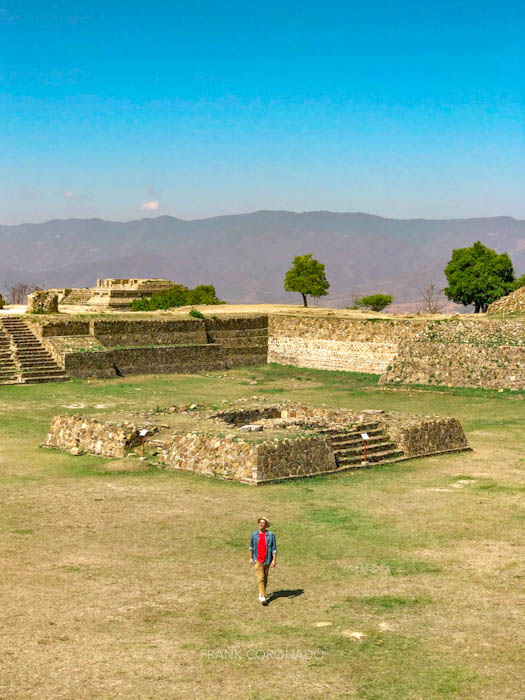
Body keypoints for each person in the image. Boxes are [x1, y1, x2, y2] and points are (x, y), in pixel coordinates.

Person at [249, 516, 277, 605]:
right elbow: (251, 547)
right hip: (258, 560)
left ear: (266, 525)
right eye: (260, 523)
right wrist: (250, 558)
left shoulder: (271, 535)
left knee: (265, 578)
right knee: (260, 578)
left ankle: (261, 593)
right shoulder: (254, 535)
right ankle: (263, 598)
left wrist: (274, 560)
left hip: (267, 560)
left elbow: (274, 549)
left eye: (263, 523)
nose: (261, 524)